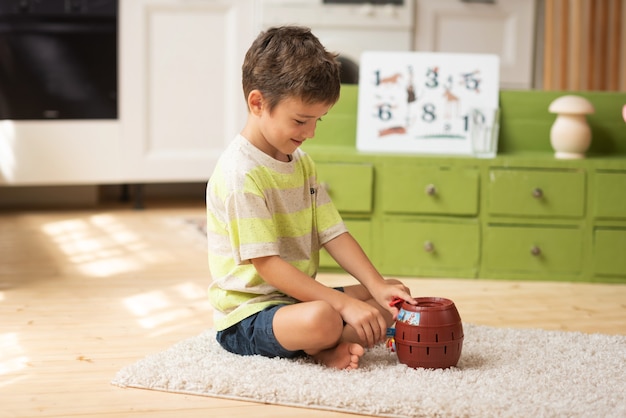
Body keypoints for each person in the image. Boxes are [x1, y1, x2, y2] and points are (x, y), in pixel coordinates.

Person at [205, 26, 415, 370]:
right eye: (301, 120)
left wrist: (375, 285)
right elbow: (268, 266)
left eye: (318, 120)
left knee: (392, 293)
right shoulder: (240, 174)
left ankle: (326, 343)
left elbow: (333, 232)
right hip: (248, 316)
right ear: (258, 103)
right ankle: (324, 342)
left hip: (294, 299)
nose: (311, 133)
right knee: (324, 317)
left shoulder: (301, 163)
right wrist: (342, 305)